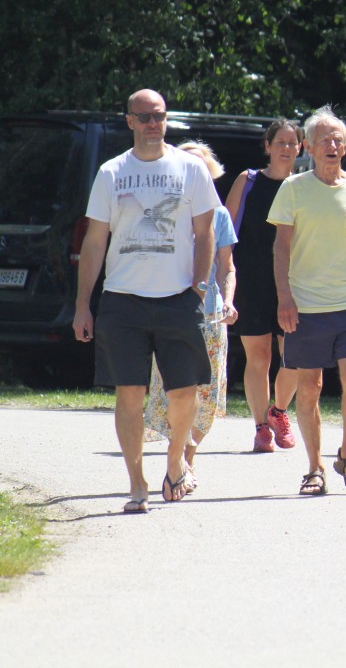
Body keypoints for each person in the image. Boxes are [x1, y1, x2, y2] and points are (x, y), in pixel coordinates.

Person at [72, 89, 219, 513]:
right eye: (145, 117)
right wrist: (83, 304)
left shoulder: (191, 169)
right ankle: (137, 483)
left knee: (184, 393)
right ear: (130, 121)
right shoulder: (112, 173)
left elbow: (205, 232)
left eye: (159, 116)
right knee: (130, 394)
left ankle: (175, 462)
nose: (154, 124)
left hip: (178, 298)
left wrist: (199, 286)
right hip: (123, 300)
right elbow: (95, 241)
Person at [268, 106, 346, 495]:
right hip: (305, 304)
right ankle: (314, 468)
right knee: (310, 385)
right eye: (323, 140)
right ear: (308, 146)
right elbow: (281, 247)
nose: (332, 146)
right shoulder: (293, 188)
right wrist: (284, 297)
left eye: (338, 139)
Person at [144, 141, 238, 493]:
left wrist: (229, 301)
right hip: (168, 310)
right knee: (171, 388)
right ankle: (178, 461)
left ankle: (187, 455)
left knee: (208, 393)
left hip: (210, 315)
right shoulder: (161, 210)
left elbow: (227, 267)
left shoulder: (220, 215)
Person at [225, 119, 302, 453]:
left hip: (294, 283)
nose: (286, 148)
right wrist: (222, 274)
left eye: (292, 143)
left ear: (301, 148)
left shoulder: (303, 185)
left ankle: (279, 411)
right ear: (268, 146)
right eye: (280, 142)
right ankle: (260, 428)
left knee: (295, 356)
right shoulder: (248, 181)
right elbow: (225, 229)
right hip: (251, 280)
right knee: (258, 356)